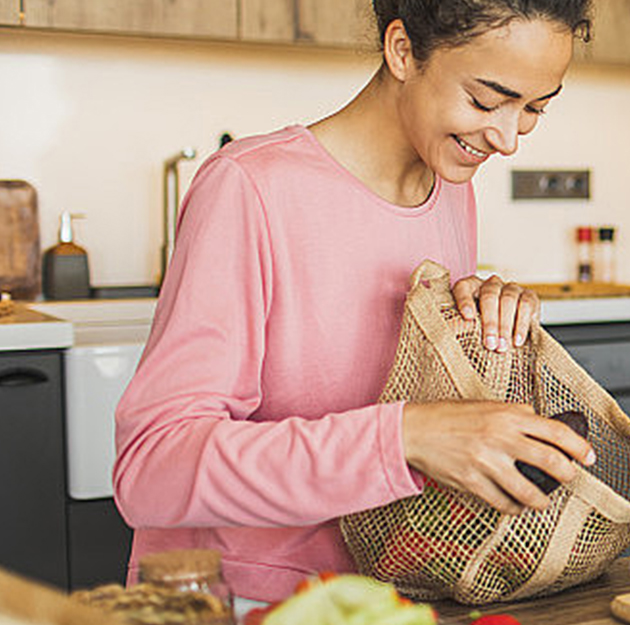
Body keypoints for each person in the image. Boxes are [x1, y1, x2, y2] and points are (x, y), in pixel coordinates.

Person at [112, 0, 596, 605]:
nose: (506, 139)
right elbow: (152, 469)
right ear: (402, 52)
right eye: (485, 100)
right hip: (243, 602)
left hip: (386, 598)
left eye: (533, 109)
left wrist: (474, 331)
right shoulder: (250, 189)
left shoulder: (448, 189)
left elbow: (407, 408)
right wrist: (405, 436)